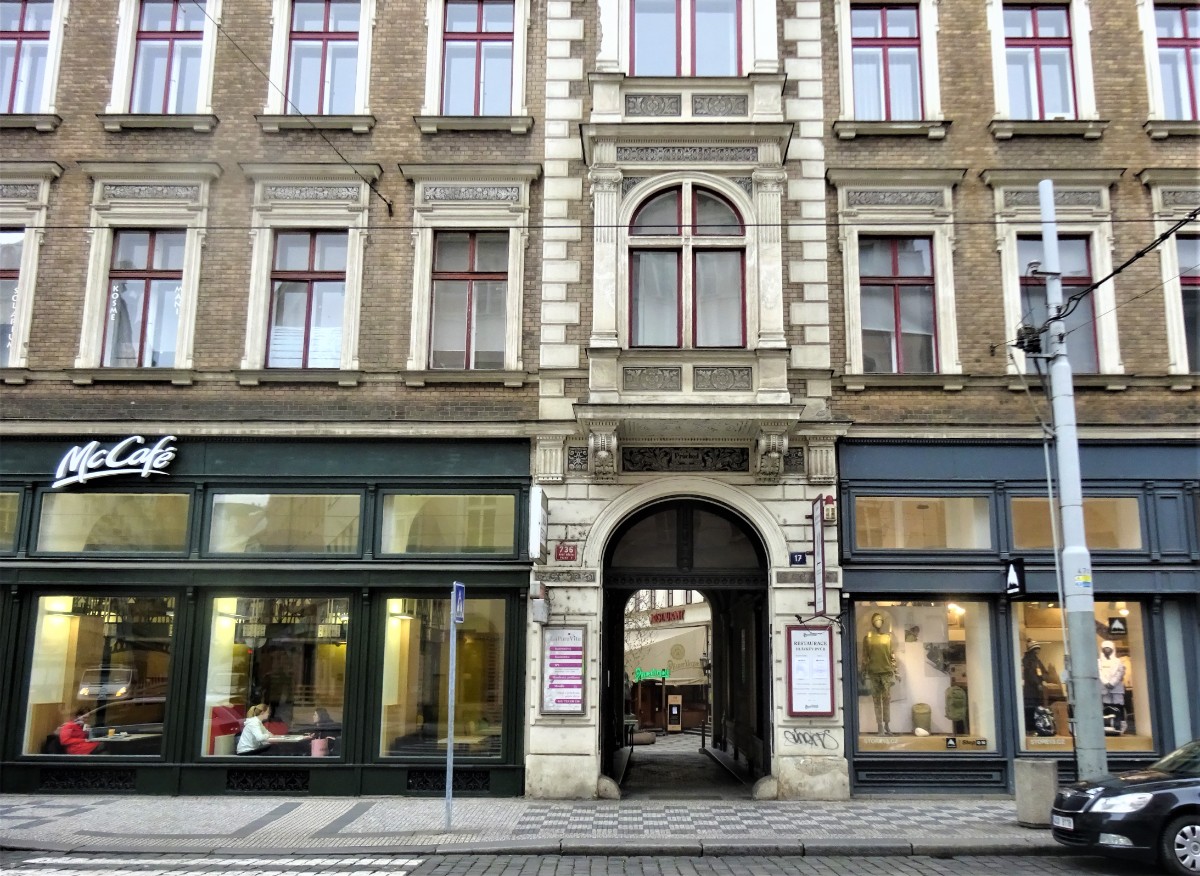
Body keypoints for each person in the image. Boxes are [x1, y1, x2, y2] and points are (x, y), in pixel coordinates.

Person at [861, 612, 898, 734]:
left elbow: (892, 655)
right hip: (874, 673)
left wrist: (896, 671)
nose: (878, 622)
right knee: (876, 701)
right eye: (876, 620)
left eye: (880, 620)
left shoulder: (887, 638)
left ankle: (887, 724)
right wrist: (863, 672)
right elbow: (865, 657)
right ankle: (879, 726)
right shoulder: (868, 638)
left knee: (886, 700)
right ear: (873, 622)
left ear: (883, 622)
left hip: (886, 672)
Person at [1098, 639, 1127, 735]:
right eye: (1105, 648)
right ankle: (1107, 725)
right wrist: (1106, 682)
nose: (1107, 650)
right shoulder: (1098, 662)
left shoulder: (1118, 661)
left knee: (1118, 706)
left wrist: (1112, 683)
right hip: (1104, 688)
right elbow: (1099, 673)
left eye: (1109, 648)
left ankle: (1120, 725)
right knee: (1106, 706)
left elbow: (1120, 673)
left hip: (1116, 689)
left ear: (1112, 649)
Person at [1022, 640, 1048, 732]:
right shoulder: (1029, 660)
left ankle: (1034, 727)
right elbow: (1031, 674)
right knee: (1032, 708)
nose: (1038, 650)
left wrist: (1042, 678)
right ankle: (1031, 727)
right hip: (1031, 690)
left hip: (1034, 690)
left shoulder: (1035, 660)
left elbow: (1043, 671)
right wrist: (1038, 683)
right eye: (1037, 648)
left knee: (1034, 708)